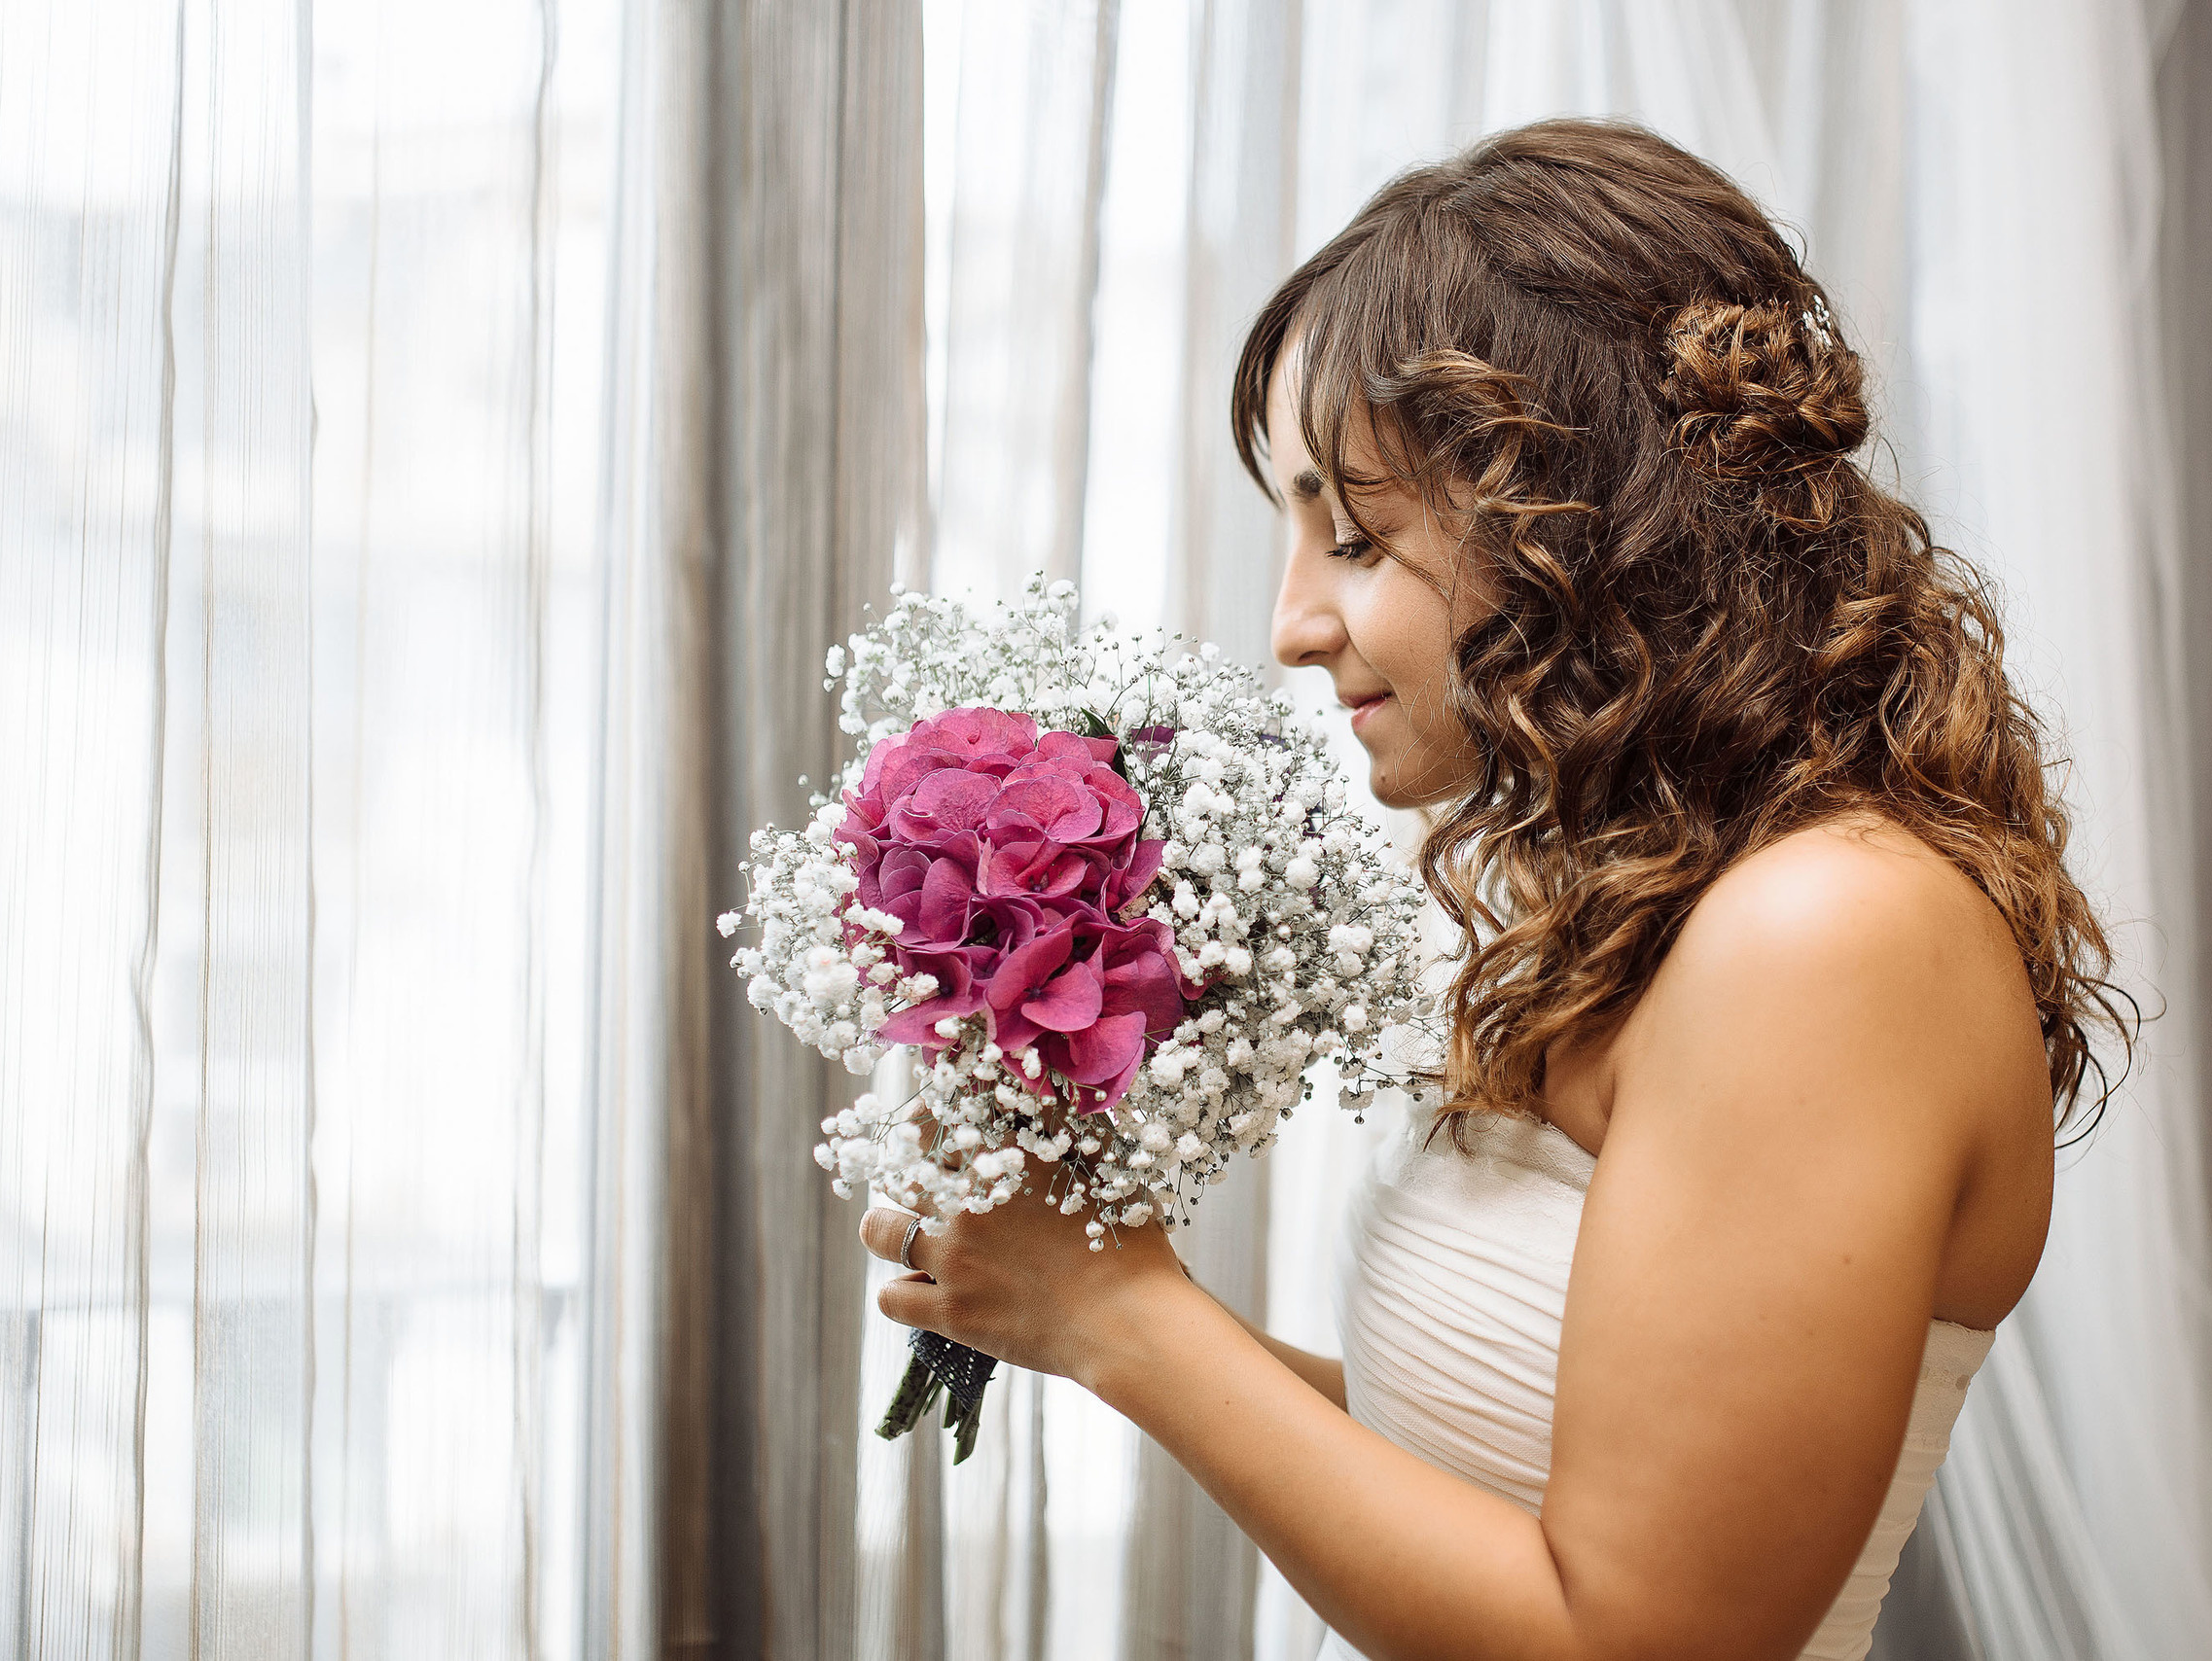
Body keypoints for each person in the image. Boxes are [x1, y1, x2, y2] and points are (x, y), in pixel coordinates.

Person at [859, 119, 2126, 1661]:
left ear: (1584, 524)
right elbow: (1509, 1478)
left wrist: (1128, 1320)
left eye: (1358, 534)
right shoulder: (1628, 902)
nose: (1294, 624)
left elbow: (1638, 1639)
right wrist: (1069, 1300)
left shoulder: (1830, 936)